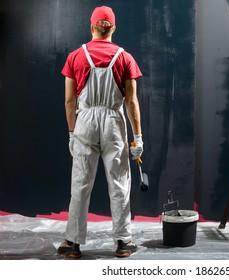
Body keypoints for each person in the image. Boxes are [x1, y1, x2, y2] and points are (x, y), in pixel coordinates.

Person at [57, 6, 143, 258]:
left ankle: (72, 243)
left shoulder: (75, 57)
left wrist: (72, 132)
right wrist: (137, 137)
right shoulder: (125, 58)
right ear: (113, 28)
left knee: (81, 183)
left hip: (84, 121)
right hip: (113, 122)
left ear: (92, 27)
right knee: (119, 182)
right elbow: (131, 102)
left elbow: (69, 101)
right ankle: (124, 241)